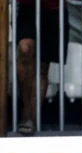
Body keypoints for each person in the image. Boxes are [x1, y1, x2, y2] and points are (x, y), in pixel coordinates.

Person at [15, 0, 69, 135]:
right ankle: (27, 112)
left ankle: (32, 118)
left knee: (43, 65)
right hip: (28, 7)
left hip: (55, 9)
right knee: (24, 49)